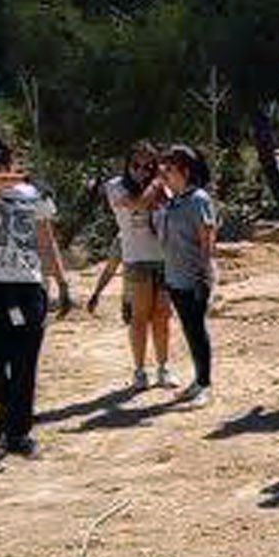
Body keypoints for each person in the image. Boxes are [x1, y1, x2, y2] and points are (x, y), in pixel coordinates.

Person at [0, 147, 70, 456]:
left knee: (25, 364)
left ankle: (18, 433)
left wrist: (62, 282)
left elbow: (45, 238)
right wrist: (18, 177)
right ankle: (6, 416)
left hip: (26, 285)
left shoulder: (34, 194)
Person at [94, 143, 174, 391]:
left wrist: (161, 183)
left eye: (148, 166)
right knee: (139, 318)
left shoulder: (163, 187)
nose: (141, 171)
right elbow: (137, 204)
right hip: (135, 259)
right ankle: (140, 370)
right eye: (136, 165)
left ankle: (163, 367)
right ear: (127, 165)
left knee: (162, 316)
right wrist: (157, 182)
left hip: (162, 258)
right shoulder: (115, 186)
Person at [154, 145, 217, 408]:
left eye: (169, 169)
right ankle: (198, 380)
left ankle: (205, 385)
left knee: (197, 330)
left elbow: (207, 240)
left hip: (194, 278)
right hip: (175, 276)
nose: (164, 174)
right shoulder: (174, 201)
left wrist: (203, 276)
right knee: (190, 330)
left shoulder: (199, 199)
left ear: (185, 171)